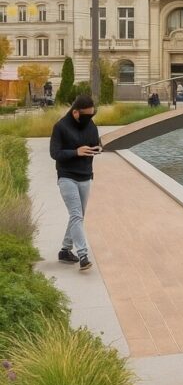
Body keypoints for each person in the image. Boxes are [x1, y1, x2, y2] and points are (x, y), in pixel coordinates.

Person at [49, 94, 102, 271]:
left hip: (86, 175)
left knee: (77, 216)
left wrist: (98, 148)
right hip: (67, 176)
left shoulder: (90, 124)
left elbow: (97, 141)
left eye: (92, 115)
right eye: (87, 116)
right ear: (76, 112)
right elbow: (55, 153)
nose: (90, 119)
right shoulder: (60, 127)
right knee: (76, 214)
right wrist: (76, 152)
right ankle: (83, 255)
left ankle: (65, 250)